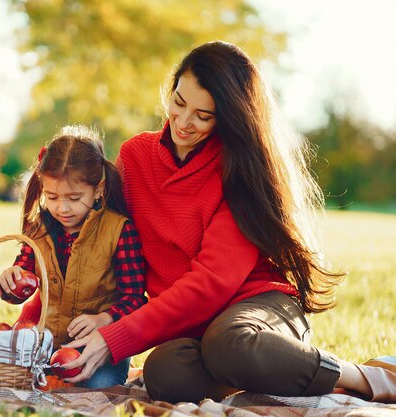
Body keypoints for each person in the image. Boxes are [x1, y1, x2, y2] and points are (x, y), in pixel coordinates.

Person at [62, 41, 396, 403]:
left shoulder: (240, 172)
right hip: (196, 328)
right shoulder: (135, 156)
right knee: (165, 374)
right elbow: (100, 238)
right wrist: (101, 314)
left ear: (229, 116)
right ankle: (274, 374)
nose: (184, 122)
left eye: (203, 115)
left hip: (260, 307)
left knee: (230, 343)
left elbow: (211, 284)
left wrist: (118, 336)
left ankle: (366, 376)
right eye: (178, 102)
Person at [0, 125, 147, 389]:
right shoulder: (39, 229)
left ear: (98, 189)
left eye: (74, 198)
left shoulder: (119, 230)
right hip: (48, 343)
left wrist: (105, 318)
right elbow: (19, 284)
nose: (62, 208)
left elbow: (135, 299)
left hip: (101, 347)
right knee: (15, 378)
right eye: (52, 196)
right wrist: (9, 281)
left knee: (96, 384)